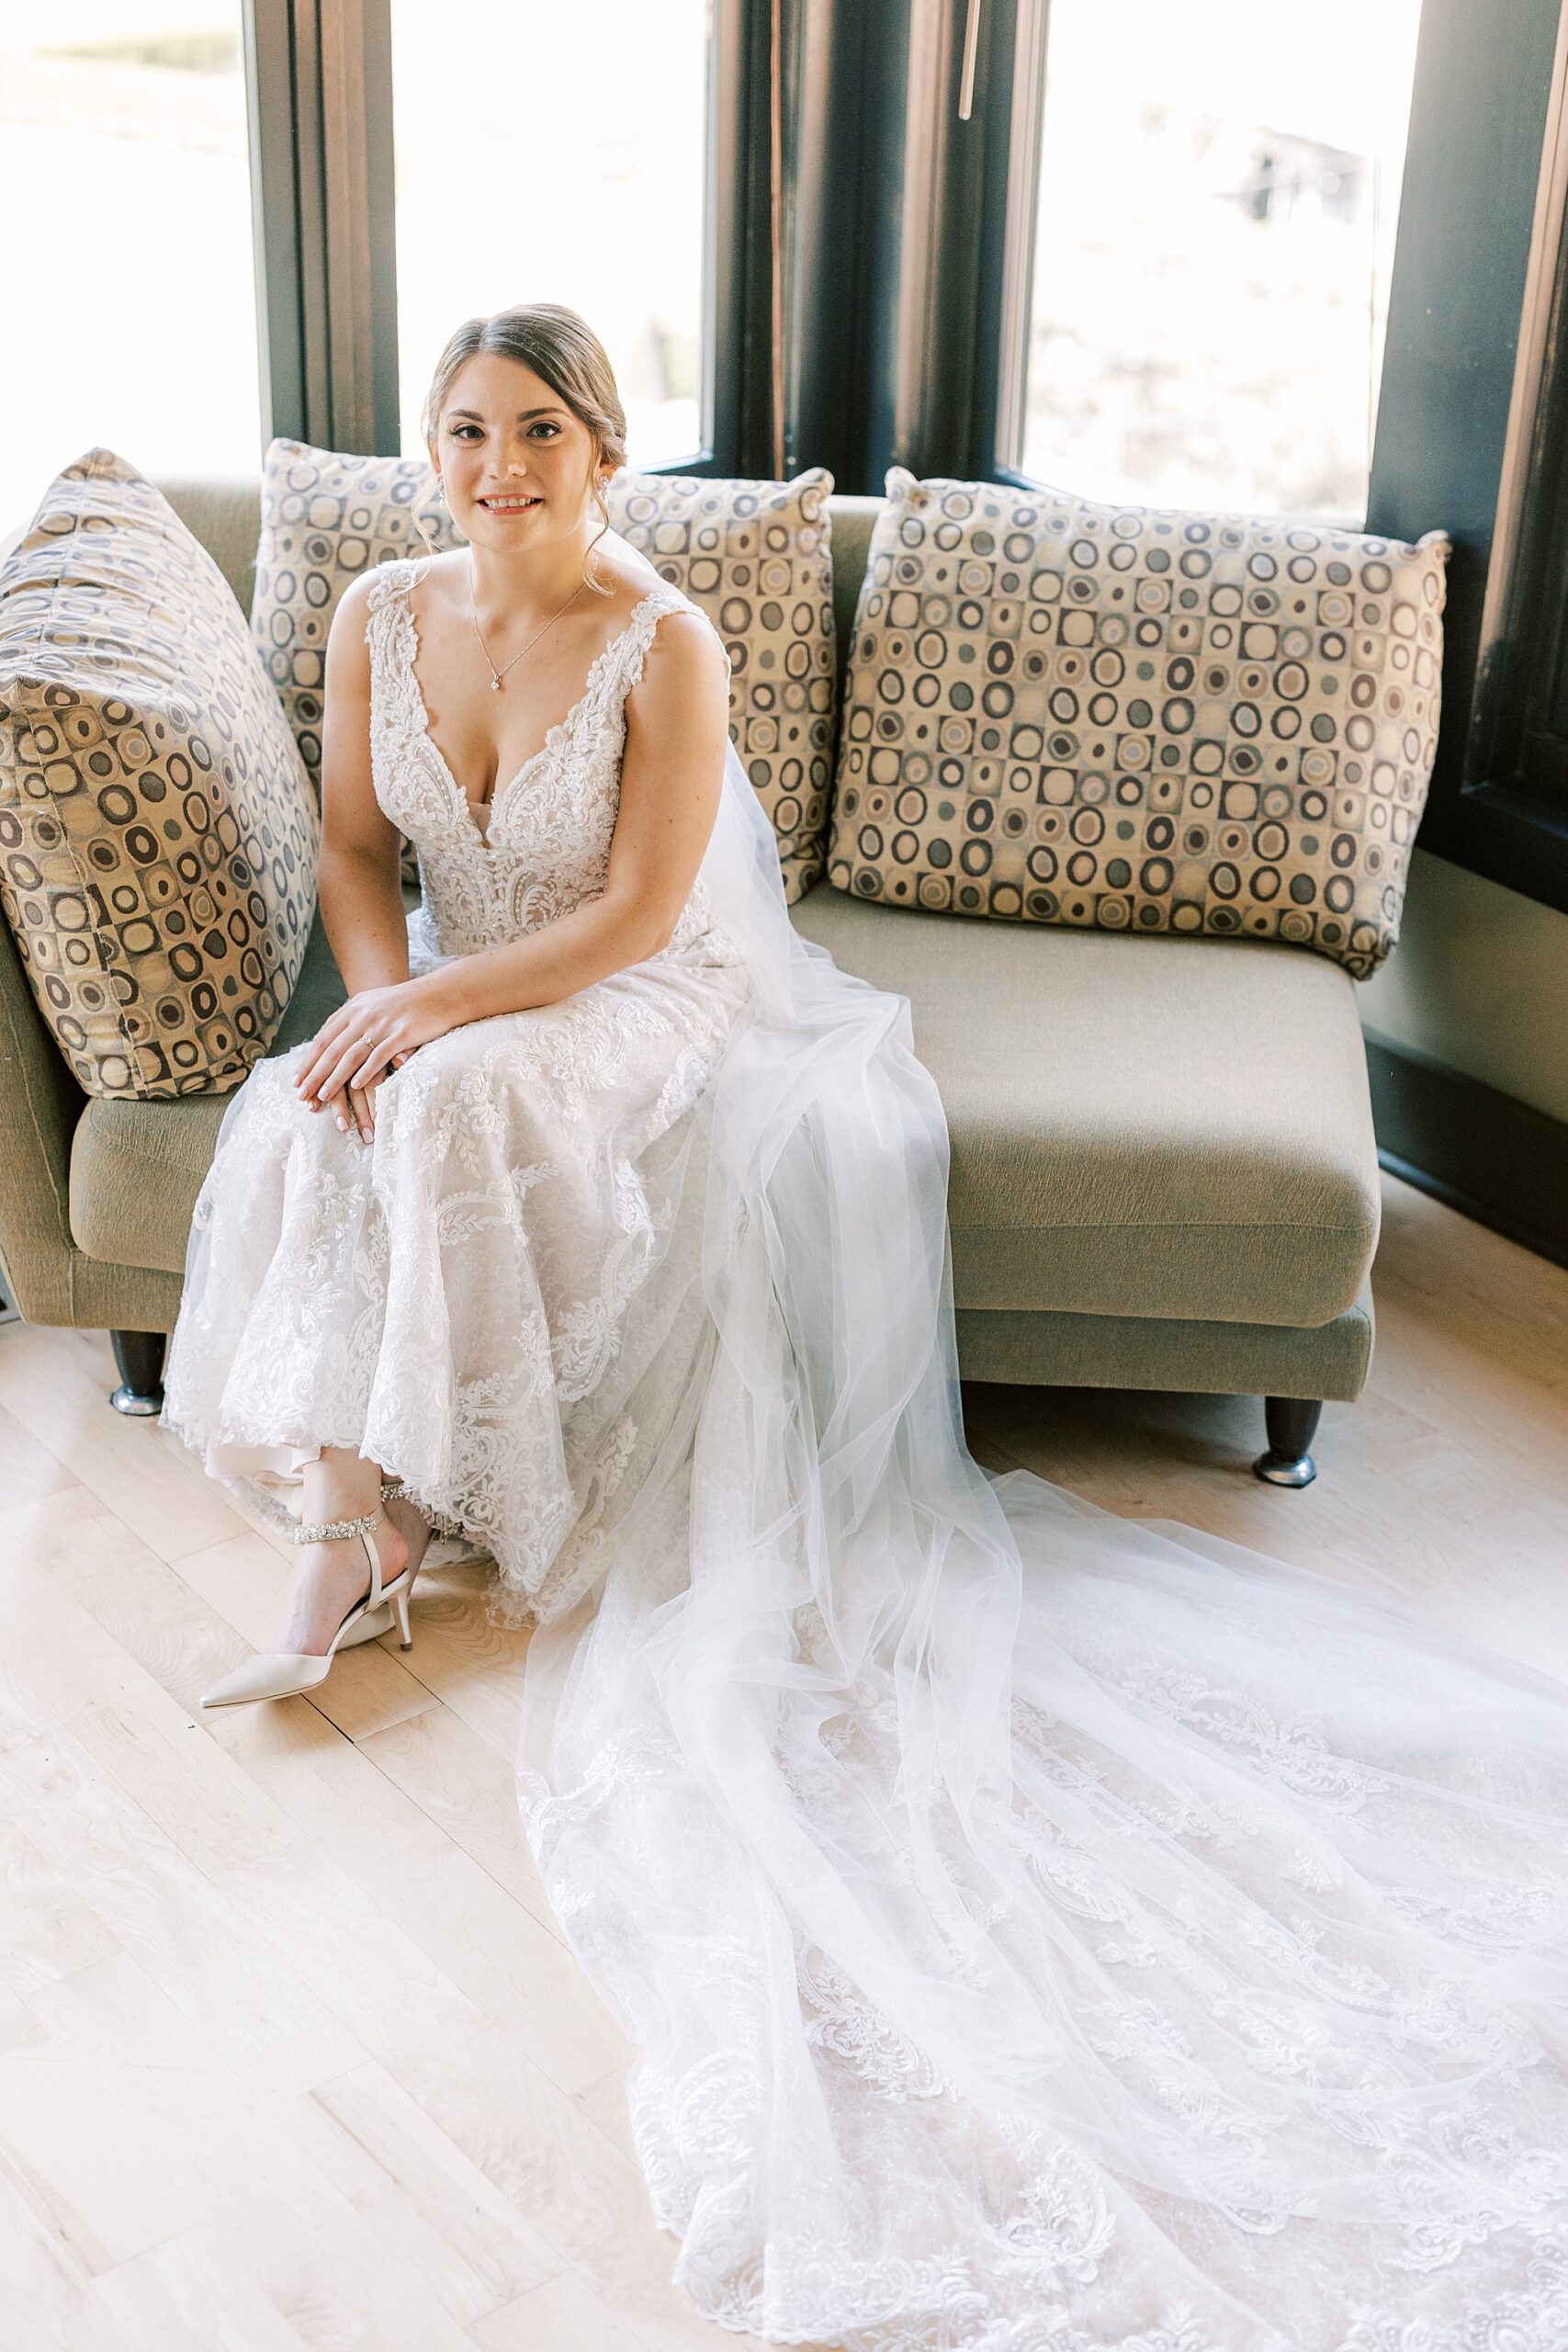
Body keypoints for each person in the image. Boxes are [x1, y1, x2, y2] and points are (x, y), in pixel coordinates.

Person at [160, 304, 1568, 2352]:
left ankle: (410, 1505)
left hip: (637, 995)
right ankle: (364, 1482)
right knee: (314, 1099)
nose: (493, 467)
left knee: (441, 1091)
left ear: (601, 449)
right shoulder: (377, 607)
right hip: (468, 984)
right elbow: (360, 860)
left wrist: (440, 1012)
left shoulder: (667, 638)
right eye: (461, 431)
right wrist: (372, 996)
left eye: (536, 430)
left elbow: (648, 921)